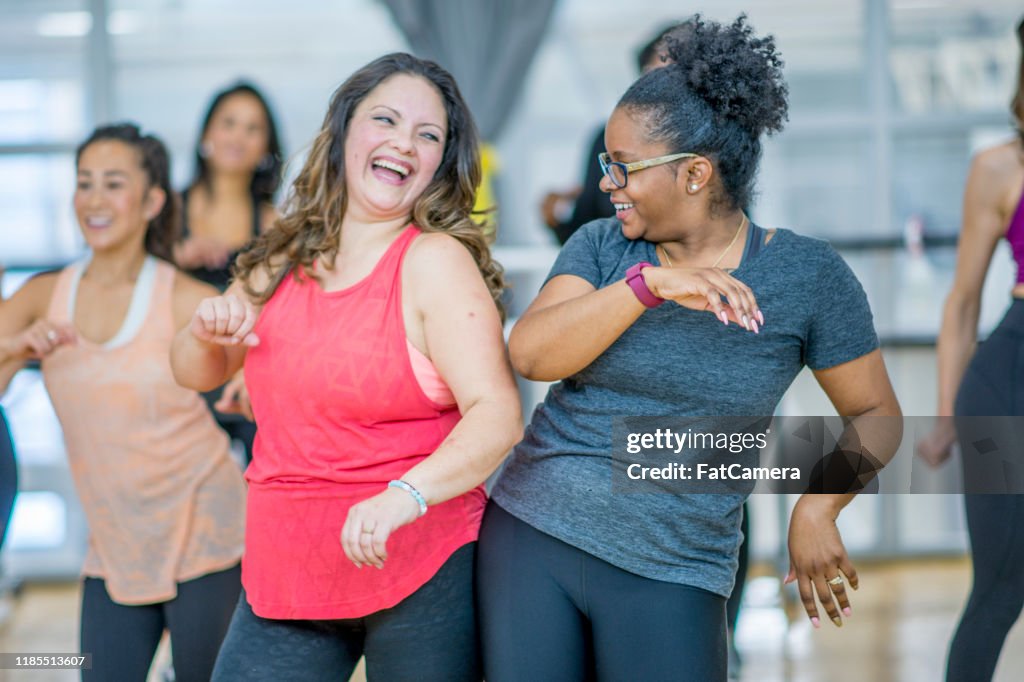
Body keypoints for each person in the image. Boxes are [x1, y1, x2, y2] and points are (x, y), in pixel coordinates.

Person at [478, 15, 903, 681]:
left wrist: (818, 505)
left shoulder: (807, 277)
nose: (608, 182)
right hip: (534, 534)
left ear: (696, 174)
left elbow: (876, 415)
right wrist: (646, 286)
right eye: (607, 165)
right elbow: (531, 354)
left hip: (678, 565)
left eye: (623, 167)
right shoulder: (602, 247)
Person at [170, 53, 522, 681]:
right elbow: (195, 371)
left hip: (419, 562)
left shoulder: (434, 260)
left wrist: (406, 495)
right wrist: (204, 332)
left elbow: (496, 414)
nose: (404, 143)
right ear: (343, 132)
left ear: (440, 163)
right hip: (288, 567)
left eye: (427, 135)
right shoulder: (283, 255)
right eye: (385, 120)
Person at [0, 124, 246, 681]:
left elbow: (265, 373)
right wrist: (15, 349)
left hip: (206, 531)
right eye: (84, 182)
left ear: (152, 202)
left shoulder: (184, 297)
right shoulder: (43, 295)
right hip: (114, 547)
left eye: (113, 184)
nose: (94, 199)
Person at [917, 15, 1024, 682]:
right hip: (1009, 379)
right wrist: (944, 416)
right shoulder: (1000, 167)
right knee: (1002, 583)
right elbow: (961, 303)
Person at [174, 82, 284, 463]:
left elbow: (282, 311)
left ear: (266, 147)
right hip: (176, 372)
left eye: (252, 128)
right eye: (229, 123)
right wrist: (176, 256)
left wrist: (247, 371)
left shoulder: (274, 223)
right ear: (207, 133)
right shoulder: (167, 212)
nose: (238, 137)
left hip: (245, 375)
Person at [539, 24, 676, 245]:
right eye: (650, 76)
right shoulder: (607, 138)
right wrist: (555, 219)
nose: (608, 184)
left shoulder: (719, 144)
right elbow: (585, 227)